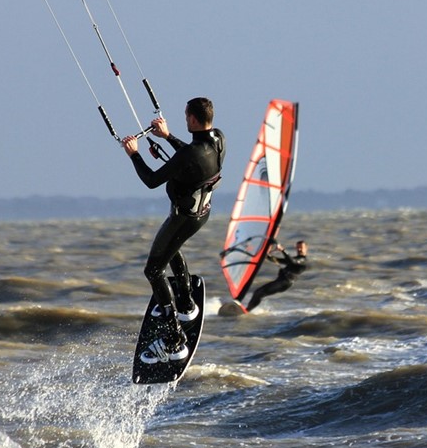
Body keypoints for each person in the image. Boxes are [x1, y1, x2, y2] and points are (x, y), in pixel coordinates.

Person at [122, 97, 225, 364]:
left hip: (183, 218)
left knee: (154, 270)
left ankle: (174, 341)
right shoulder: (217, 139)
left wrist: (134, 154)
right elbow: (194, 157)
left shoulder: (190, 154)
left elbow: (152, 180)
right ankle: (186, 305)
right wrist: (167, 136)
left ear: (192, 118)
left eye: (185, 116)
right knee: (172, 248)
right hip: (201, 213)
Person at [246, 240, 309, 312]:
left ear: (306, 248)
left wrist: (283, 250)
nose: (299, 249)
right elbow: (276, 260)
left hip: (284, 282)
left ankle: (247, 310)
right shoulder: (295, 259)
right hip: (281, 281)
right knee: (258, 293)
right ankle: (248, 309)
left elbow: (292, 261)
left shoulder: (303, 260)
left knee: (259, 292)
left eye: (301, 247)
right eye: (298, 247)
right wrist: (266, 254)